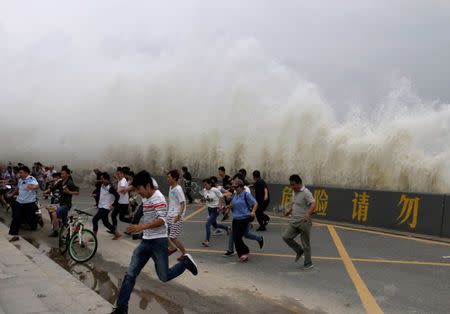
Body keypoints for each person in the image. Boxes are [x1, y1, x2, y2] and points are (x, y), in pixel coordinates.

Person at [111, 170, 198, 314]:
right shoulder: (145, 193)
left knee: (164, 276)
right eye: (137, 189)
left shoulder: (159, 199)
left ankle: (185, 262)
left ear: (147, 186)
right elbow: (136, 184)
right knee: (130, 274)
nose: (139, 193)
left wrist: (141, 227)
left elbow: (162, 221)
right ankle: (121, 308)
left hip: (158, 242)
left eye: (140, 189)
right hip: (145, 242)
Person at [282, 174, 316, 270]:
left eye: (293, 185)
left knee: (306, 243)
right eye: (291, 185)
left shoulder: (306, 192)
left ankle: (308, 263)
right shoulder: (294, 192)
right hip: (294, 220)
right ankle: (299, 251)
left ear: (299, 183)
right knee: (286, 237)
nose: (292, 187)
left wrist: (308, 213)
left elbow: (313, 203)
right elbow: (295, 203)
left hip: (304, 222)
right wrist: (289, 210)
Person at [8, 165, 40, 242]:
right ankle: (15, 235)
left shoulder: (31, 179)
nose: (20, 174)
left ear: (26, 173)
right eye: (19, 172)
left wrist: (32, 187)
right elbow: (18, 188)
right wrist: (12, 194)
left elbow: (37, 185)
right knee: (16, 218)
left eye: (21, 173)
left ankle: (37, 218)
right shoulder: (20, 180)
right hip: (19, 202)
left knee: (29, 219)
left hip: (29, 203)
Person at [229, 179, 257, 262]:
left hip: (244, 218)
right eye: (234, 187)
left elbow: (255, 203)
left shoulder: (246, 194)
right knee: (235, 237)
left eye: (236, 187)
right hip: (235, 219)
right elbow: (232, 204)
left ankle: (245, 251)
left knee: (238, 237)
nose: (235, 189)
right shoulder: (235, 195)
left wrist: (253, 211)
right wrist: (225, 208)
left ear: (241, 187)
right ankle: (241, 254)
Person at [92, 172, 121, 240]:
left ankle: (94, 237)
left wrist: (113, 205)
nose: (101, 180)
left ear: (106, 180)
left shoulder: (110, 187)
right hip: (101, 206)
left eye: (102, 179)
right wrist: (96, 195)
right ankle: (117, 234)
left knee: (94, 220)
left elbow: (117, 196)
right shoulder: (102, 185)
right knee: (105, 223)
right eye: (101, 179)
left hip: (105, 207)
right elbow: (102, 193)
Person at [201, 178, 229, 247]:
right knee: (215, 225)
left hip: (215, 210)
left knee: (207, 224)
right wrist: (203, 200)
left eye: (206, 184)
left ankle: (207, 241)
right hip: (209, 209)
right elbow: (205, 198)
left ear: (210, 184)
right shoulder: (205, 190)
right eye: (204, 185)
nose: (205, 186)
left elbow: (221, 197)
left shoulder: (215, 190)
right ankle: (227, 228)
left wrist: (220, 206)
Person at [166, 169, 187, 259]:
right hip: (170, 214)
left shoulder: (178, 189)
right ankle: (171, 247)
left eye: (169, 177)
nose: (167, 179)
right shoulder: (171, 187)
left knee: (173, 237)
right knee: (162, 232)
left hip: (176, 216)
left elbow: (182, 203)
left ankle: (185, 254)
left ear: (174, 178)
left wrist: (179, 216)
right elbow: (172, 201)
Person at [52, 167, 80, 235]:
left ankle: (55, 231)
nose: (62, 175)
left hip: (67, 204)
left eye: (63, 174)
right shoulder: (60, 182)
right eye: (61, 174)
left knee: (54, 213)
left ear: (68, 174)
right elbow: (53, 188)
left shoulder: (70, 183)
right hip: (61, 204)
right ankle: (73, 232)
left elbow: (77, 192)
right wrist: (46, 191)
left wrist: (69, 192)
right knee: (65, 222)